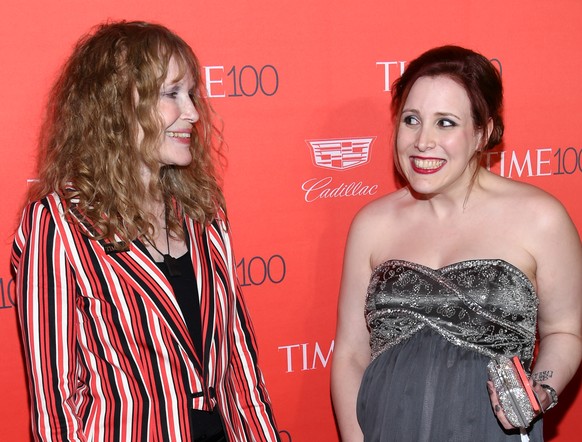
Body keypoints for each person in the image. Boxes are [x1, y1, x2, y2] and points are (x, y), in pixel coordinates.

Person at [11, 21, 280, 442]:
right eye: (171, 94)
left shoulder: (201, 212)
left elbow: (240, 367)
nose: (192, 111)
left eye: (190, 94)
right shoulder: (58, 224)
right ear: (117, 106)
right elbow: (56, 408)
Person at [331, 45, 582, 441]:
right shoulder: (371, 224)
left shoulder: (541, 218)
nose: (422, 141)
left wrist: (542, 390)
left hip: (490, 431)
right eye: (411, 120)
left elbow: (566, 332)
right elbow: (349, 354)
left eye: (445, 123)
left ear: (482, 132)